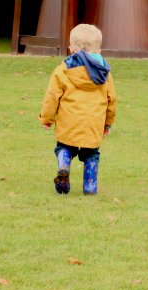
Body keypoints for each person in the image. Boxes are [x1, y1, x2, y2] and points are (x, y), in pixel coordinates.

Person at [39, 23, 117, 195]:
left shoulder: (63, 71)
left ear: (71, 49)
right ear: (99, 50)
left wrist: (47, 118)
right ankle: (90, 186)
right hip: (93, 124)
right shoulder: (105, 74)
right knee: (92, 154)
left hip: (69, 123)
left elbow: (52, 97)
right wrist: (107, 124)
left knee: (64, 147)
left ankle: (64, 164)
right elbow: (111, 100)